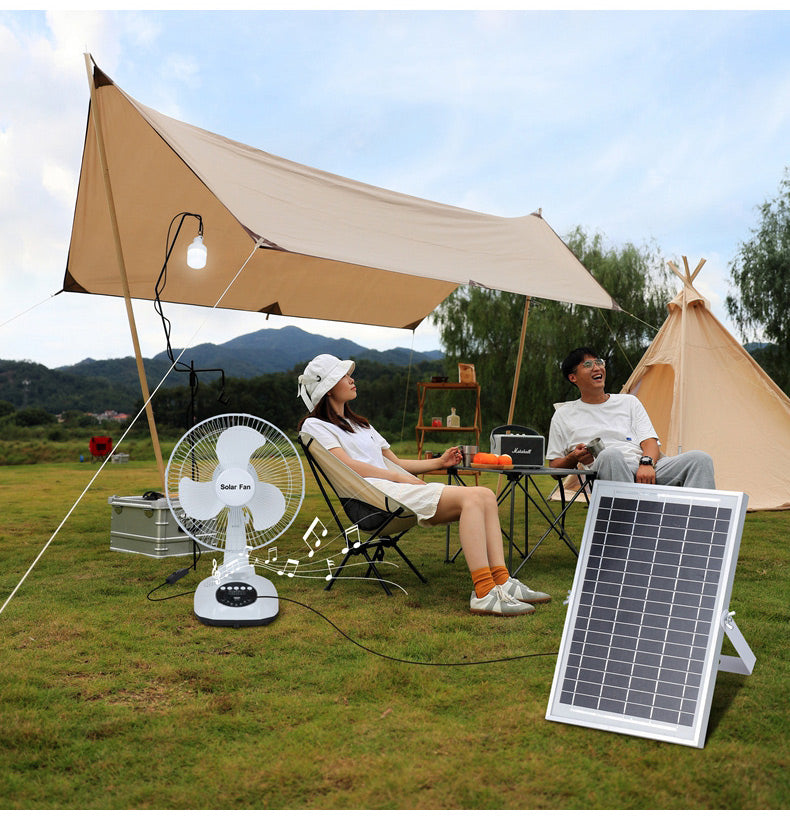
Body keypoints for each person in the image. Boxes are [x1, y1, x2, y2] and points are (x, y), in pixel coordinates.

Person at [297, 354, 550, 616]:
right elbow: (348, 466)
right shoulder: (315, 426)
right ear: (328, 389)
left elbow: (395, 463)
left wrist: (438, 462)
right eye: (343, 376)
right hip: (374, 499)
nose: (352, 379)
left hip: (394, 490)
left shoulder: (361, 425)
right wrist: (398, 478)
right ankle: (484, 591)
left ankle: (503, 581)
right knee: (473, 499)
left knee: (485, 494)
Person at [546, 347, 716, 488]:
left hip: (644, 467)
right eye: (588, 365)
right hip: (603, 472)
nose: (597, 368)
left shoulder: (628, 402)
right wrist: (574, 457)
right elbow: (554, 468)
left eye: (599, 362)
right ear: (573, 377)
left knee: (699, 459)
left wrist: (647, 463)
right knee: (610, 455)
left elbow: (650, 442)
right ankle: (627, 517)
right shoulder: (564, 414)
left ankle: (698, 519)